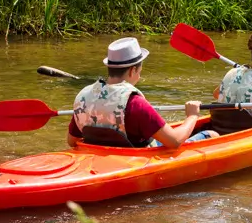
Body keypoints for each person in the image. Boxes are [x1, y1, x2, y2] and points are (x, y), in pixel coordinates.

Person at [68, 38, 219, 149]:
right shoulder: (135, 103)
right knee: (211, 134)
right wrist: (192, 116)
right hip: (135, 158)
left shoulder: (84, 96)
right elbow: (174, 141)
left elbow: (72, 141)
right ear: (133, 70)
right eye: (139, 71)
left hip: (104, 159)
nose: (139, 75)